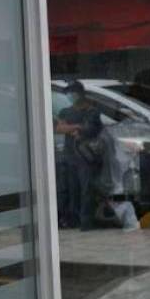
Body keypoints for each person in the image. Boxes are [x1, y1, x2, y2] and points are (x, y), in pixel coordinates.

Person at [55, 81, 104, 230]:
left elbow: (88, 130)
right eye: (69, 93)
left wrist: (74, 129)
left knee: (86, 189)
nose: (71, 96)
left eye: (73, 93)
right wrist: (76, 126)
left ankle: (86, 221)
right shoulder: (65, 111)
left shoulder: (92, 111)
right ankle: (72, 220)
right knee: (71, 189)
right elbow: (60, 128)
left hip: (86, 157)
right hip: (70, 156)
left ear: (81, 94)